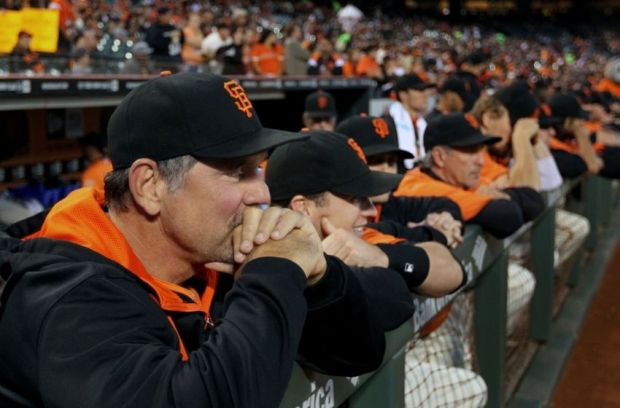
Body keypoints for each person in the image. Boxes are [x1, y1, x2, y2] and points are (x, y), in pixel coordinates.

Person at [0, 73, 387, 407]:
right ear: (150, 185)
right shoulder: (67, 295)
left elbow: (359, 351)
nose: (262, 193)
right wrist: (274, 270)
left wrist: (321, 276)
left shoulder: (211, 256)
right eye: (239, 171)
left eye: (259, 168)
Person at [335, 115, 487, 407]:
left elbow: (443, 212)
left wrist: (435, 228)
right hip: (350, 379)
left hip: (402, 347)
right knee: (468, 388)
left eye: (391, 160)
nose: (386, 170)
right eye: (375, 160)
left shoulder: (392, 204)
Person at [388, 73, 435, 168]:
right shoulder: (389, 123)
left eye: (425, 90)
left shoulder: (424, 123)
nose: (426, 95)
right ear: (403, 95)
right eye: (419, 90)